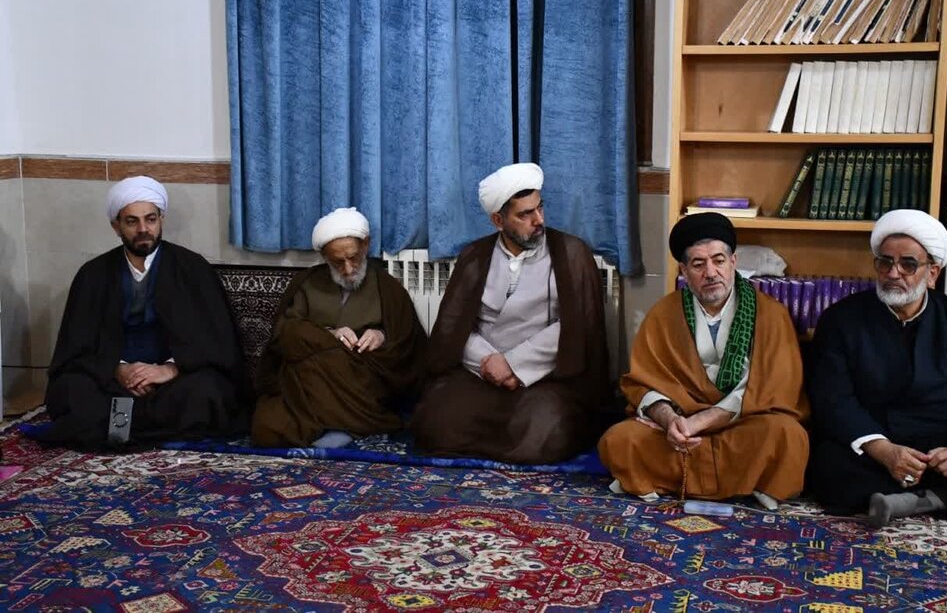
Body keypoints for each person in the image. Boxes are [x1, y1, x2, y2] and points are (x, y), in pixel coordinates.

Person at [599, 213, 809, 509]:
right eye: (698, 264)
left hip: (744, 423)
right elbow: (643, 383)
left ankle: (680, 479)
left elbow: (776, 389)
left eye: (718, 260)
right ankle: (743, 482)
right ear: (684, 271)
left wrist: (700, 421)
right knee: (620, 439)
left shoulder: (771, 315)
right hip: (679, 430)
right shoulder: (663, 314)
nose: (711, 272)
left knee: (787, 435)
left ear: (733, 261)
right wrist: (671, 421)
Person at [807, 209, 947, 527]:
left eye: (908, 264)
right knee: (829, 466)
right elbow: (833, 397)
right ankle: (942, 498)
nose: (894, 273)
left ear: (932, 273)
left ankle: (920, 499)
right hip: (877, 445)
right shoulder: (841, 319)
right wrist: (884, 451)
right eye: (885, 262)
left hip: (946, 445)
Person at [410, 162, 609, 464]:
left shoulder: (571, 253)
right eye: (525, 214)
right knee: (435, 421)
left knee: (546, 432)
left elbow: (576, 326)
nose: (538, 220)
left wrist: (514, 365)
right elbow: (455, 327)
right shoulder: (475, 256)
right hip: (482, 372)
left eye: (540, 208)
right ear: (498, 220)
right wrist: (490, 364)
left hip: (545, 377)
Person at [42, 176, 249, 448]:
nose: (143, 229)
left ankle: (119, 427)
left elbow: (217, 344)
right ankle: (147, 427)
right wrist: (118, 369)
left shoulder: (192, 268)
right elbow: (75, 348)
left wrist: (170, 369)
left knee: (206, 391)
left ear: (161, 219)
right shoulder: (93, 274)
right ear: (116, 226)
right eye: (132, 221)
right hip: (112, 379)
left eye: (150, 219)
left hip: (173, 380)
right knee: (71, 389)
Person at [251, 207, 427, 448]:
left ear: (366, 245)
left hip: (359, 379)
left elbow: (409, 345)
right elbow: (285, 333)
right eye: (337, 262)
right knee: (267, 429)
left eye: (353, 257)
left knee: (331, 363)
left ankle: (340, 424)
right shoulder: (308, 283)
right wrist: (328, 335)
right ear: (324, 257)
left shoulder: (388, 288)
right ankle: (342, 423)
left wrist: (382, 336)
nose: (348, 268)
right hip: (306, 380)